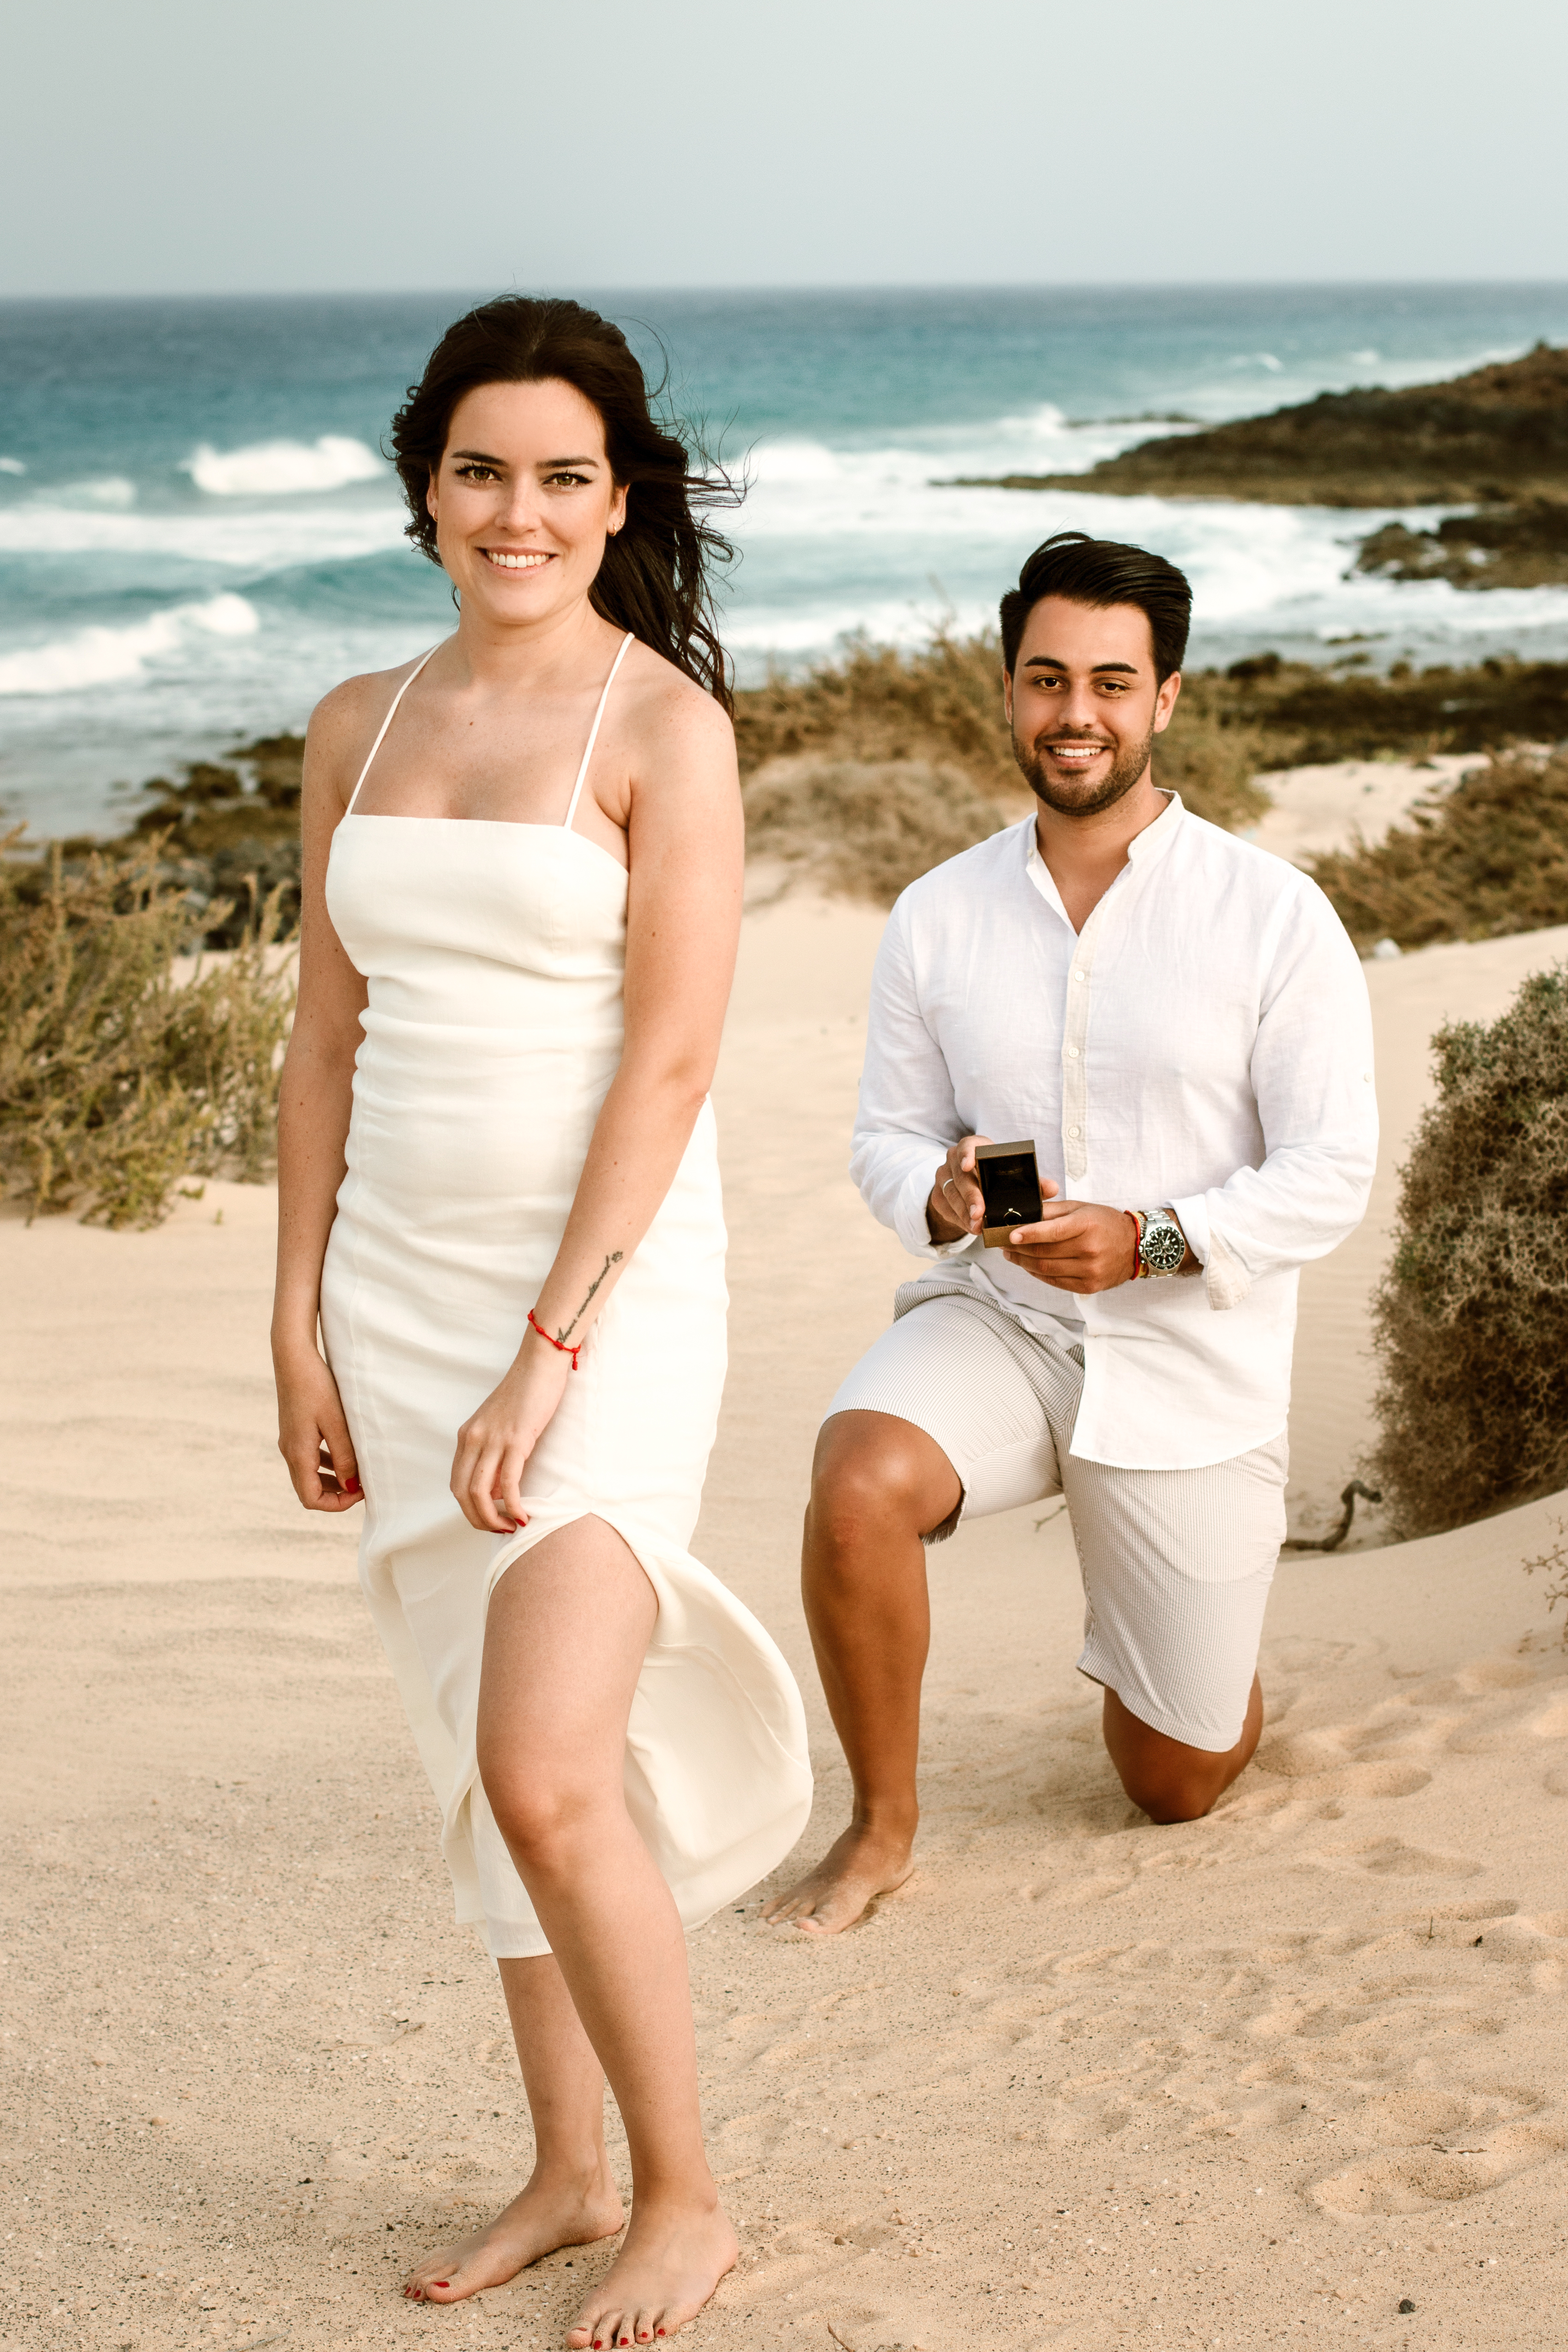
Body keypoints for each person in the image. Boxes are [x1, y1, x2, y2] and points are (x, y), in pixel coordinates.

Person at [272, 295, 811, 2348]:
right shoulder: (356, 722)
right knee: (467, 1753)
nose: (521, 510)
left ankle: (684, 2199)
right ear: (428, 488)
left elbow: (668, 1068)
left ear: (616, 501)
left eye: (563, 476)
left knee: (546, 1761)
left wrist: (553, 1348)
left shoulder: (663, 730)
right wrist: (295, 1325)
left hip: (605, 1295)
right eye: (483, 470)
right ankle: (567, 2167)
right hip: (393, 1293)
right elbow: (322, 1040)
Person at [763, 530, 1377, 1939]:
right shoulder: (936, 917)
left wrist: (1154, 1239)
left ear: (1166, 698)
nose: (1076, 712)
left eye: (1112, 680)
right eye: (1048, 679)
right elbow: (886, 1135)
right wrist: (940, 1196)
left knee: (1170, 1779)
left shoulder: (1274, 915)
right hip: (1012, 1326)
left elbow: (1335, 1168)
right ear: (1008, 690)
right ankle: (880, 1830)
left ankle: (1204, 1666)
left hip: (1188, 1362)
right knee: (856, 1478)